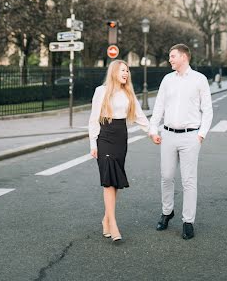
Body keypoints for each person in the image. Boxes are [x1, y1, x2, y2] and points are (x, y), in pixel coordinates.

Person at [149, 44, 213, 240]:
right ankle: (167, 212)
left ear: (184, 57)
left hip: (190, 136)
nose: (170, 59)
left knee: (188, 180)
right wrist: (153, 129)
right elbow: (159, 106)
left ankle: (188, 221)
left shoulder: (199, 79)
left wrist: (201, 135)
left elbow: (207, 110)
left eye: (173, 56)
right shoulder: (167, 80)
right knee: (166, 177)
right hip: (168, 134)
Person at [88, 59, 150, 242]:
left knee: (115, 180)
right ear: (114, 71)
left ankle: (106, 219)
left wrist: (153, 133)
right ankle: (113, 223)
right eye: (123, 70)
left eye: (127, 71)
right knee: (108, 181)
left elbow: (139, 116)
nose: (126, 73)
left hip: (120, 137)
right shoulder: (101, 91)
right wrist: (93, 144)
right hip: (105, 136)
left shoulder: (128, 92)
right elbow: (93, 119)